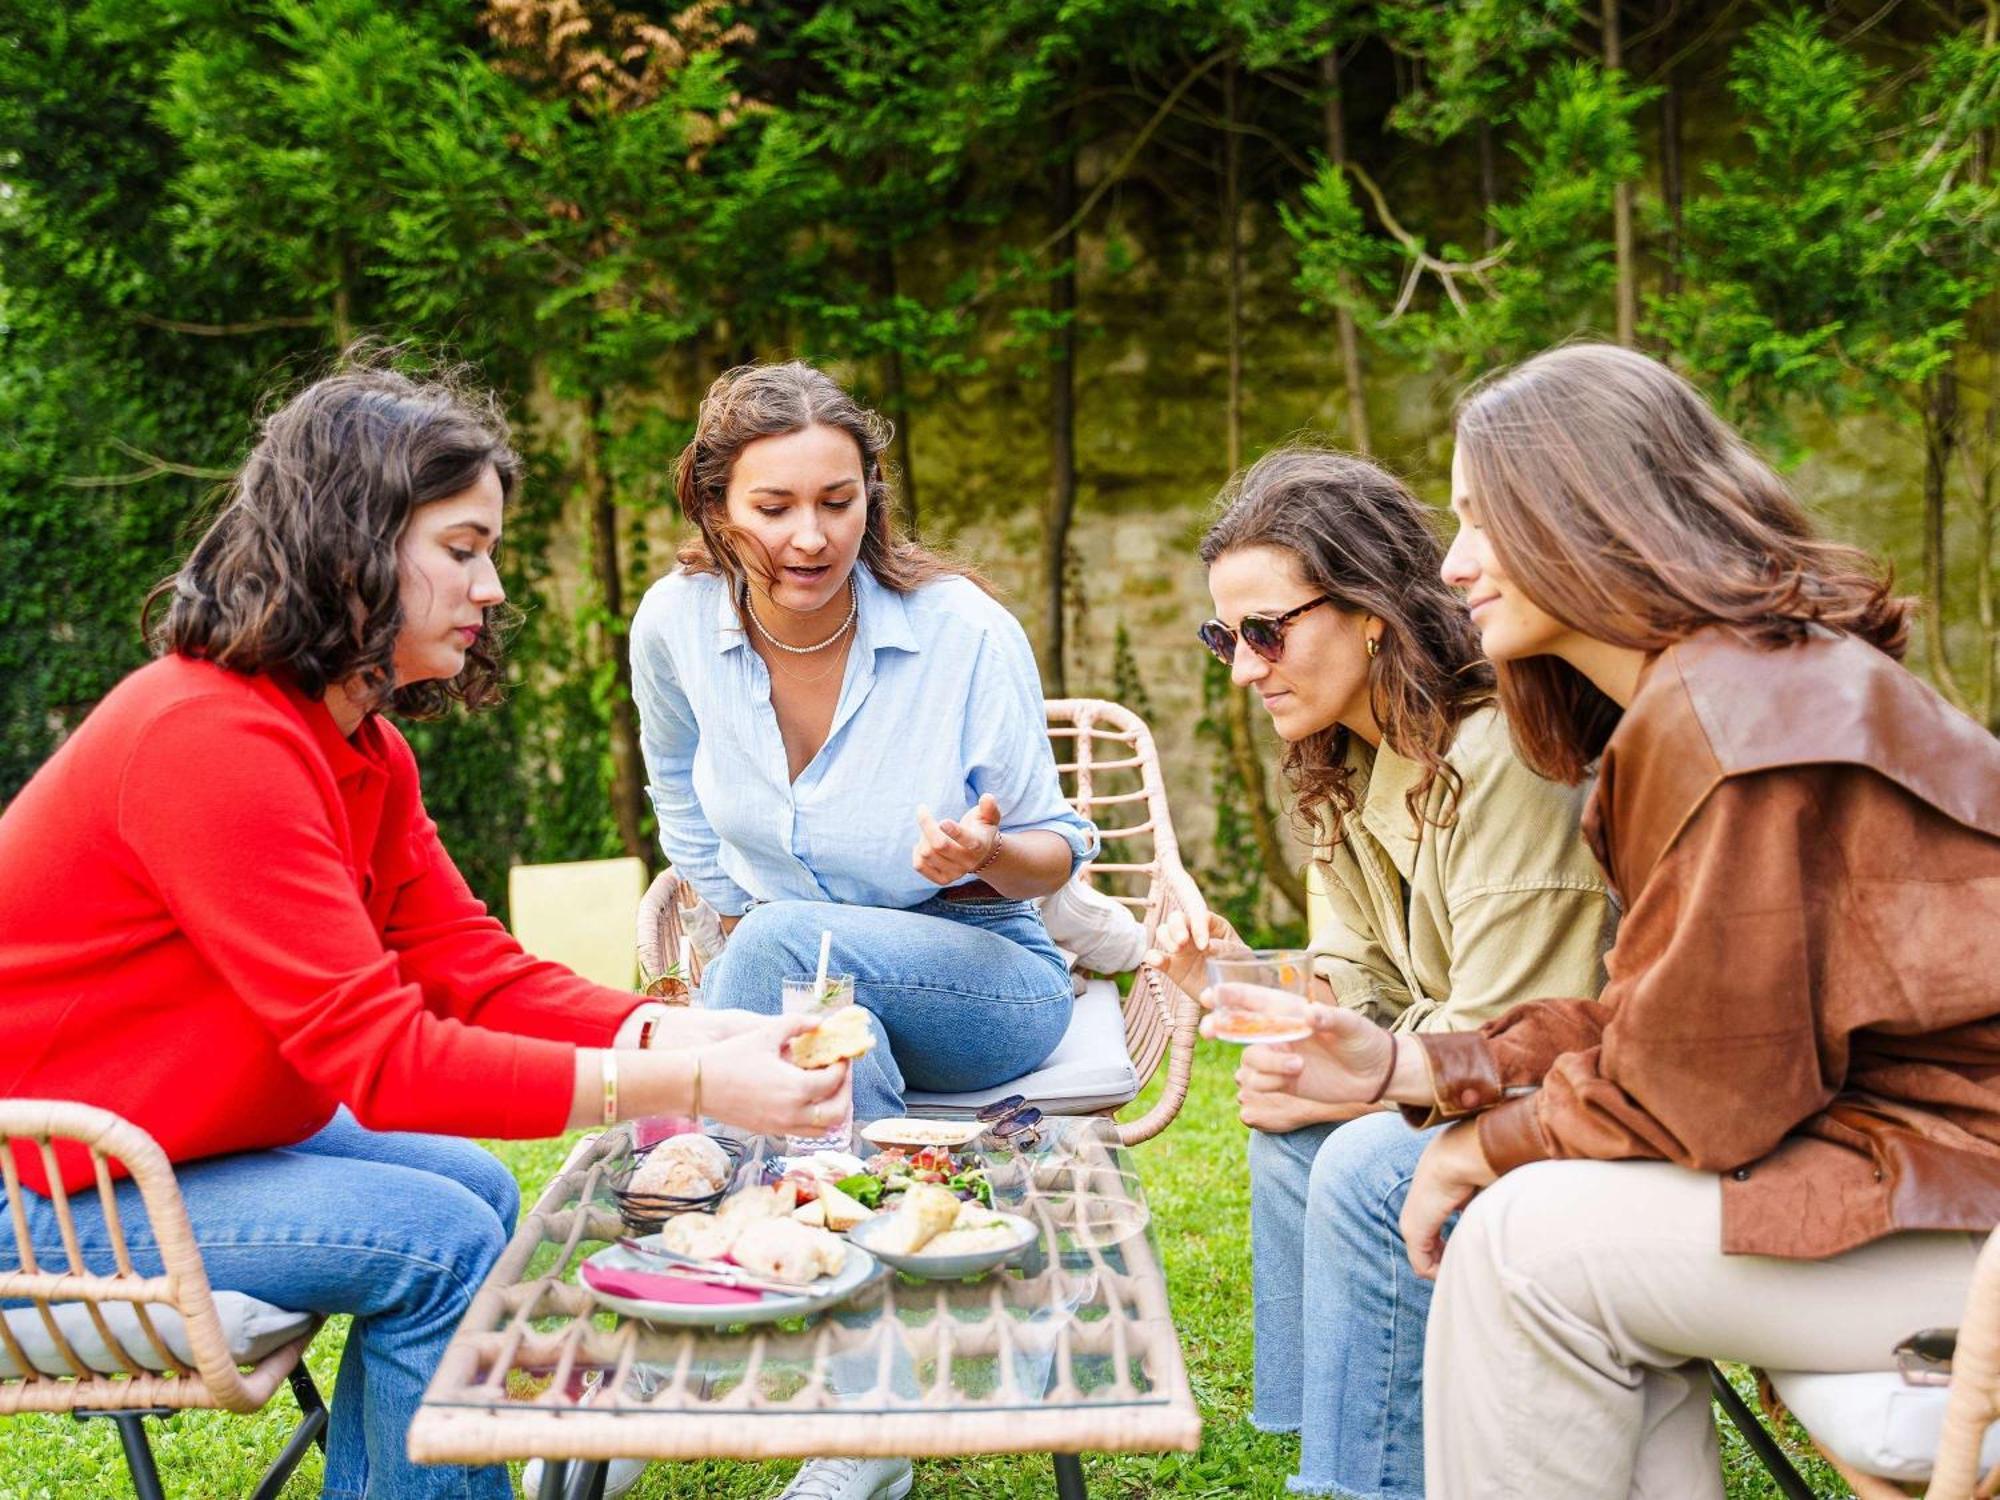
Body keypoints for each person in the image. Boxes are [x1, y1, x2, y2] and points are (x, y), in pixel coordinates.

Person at [0, 360, 847, 1500]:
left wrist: (683, 1034)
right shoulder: (208, 741)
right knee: (434, 1241)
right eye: (461, 549)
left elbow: (468, 969)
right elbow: (383, 1061)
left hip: (158, 1144)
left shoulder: (357, 745)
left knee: (475, 1194)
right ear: (349, 544)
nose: (492, 586)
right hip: (44, 1184)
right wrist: (688, 1088)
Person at [1227, 344, 2000, 1500]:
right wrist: (1421, 1061)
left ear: (1582, 518)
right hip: (1905, 1173)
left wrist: (1475, 1141)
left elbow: (1698, 1096)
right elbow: (1658, 1021)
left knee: (1522, 1248)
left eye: (1482, 522)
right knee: (1549, 1227)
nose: (1452, 564)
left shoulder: (1740, 717)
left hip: (1959, 1214)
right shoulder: (1727, 688)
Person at [629, 360, 1095, 1500]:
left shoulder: (959, 631)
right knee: (833, 1033)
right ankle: (886, 1399)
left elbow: (1056, 847)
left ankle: (651, 1341)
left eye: (837, 501)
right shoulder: (676, 625)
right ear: (712, 504)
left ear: (872, 495)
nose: (808, 536)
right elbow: (676, 785)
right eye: (773, 507)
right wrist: (721, 907)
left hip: (984, 979)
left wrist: (984, 853)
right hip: (813, 1002)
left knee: (783, 954)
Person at [1149, 445, 1614, 1498]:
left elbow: (1511, 1027)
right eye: (1224, 636)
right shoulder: (1343, 763)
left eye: (1265, 631)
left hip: (1572, 1098)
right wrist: (1235, 988)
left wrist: (1350, 1066)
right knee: (1286, 1135)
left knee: (1359, 1159)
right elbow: (1357, 991)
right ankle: (1330, 1444)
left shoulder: (1501, 754)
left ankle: (1371, 1478)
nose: (1240, 667)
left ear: (1368, 610)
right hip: (1461, 1071)